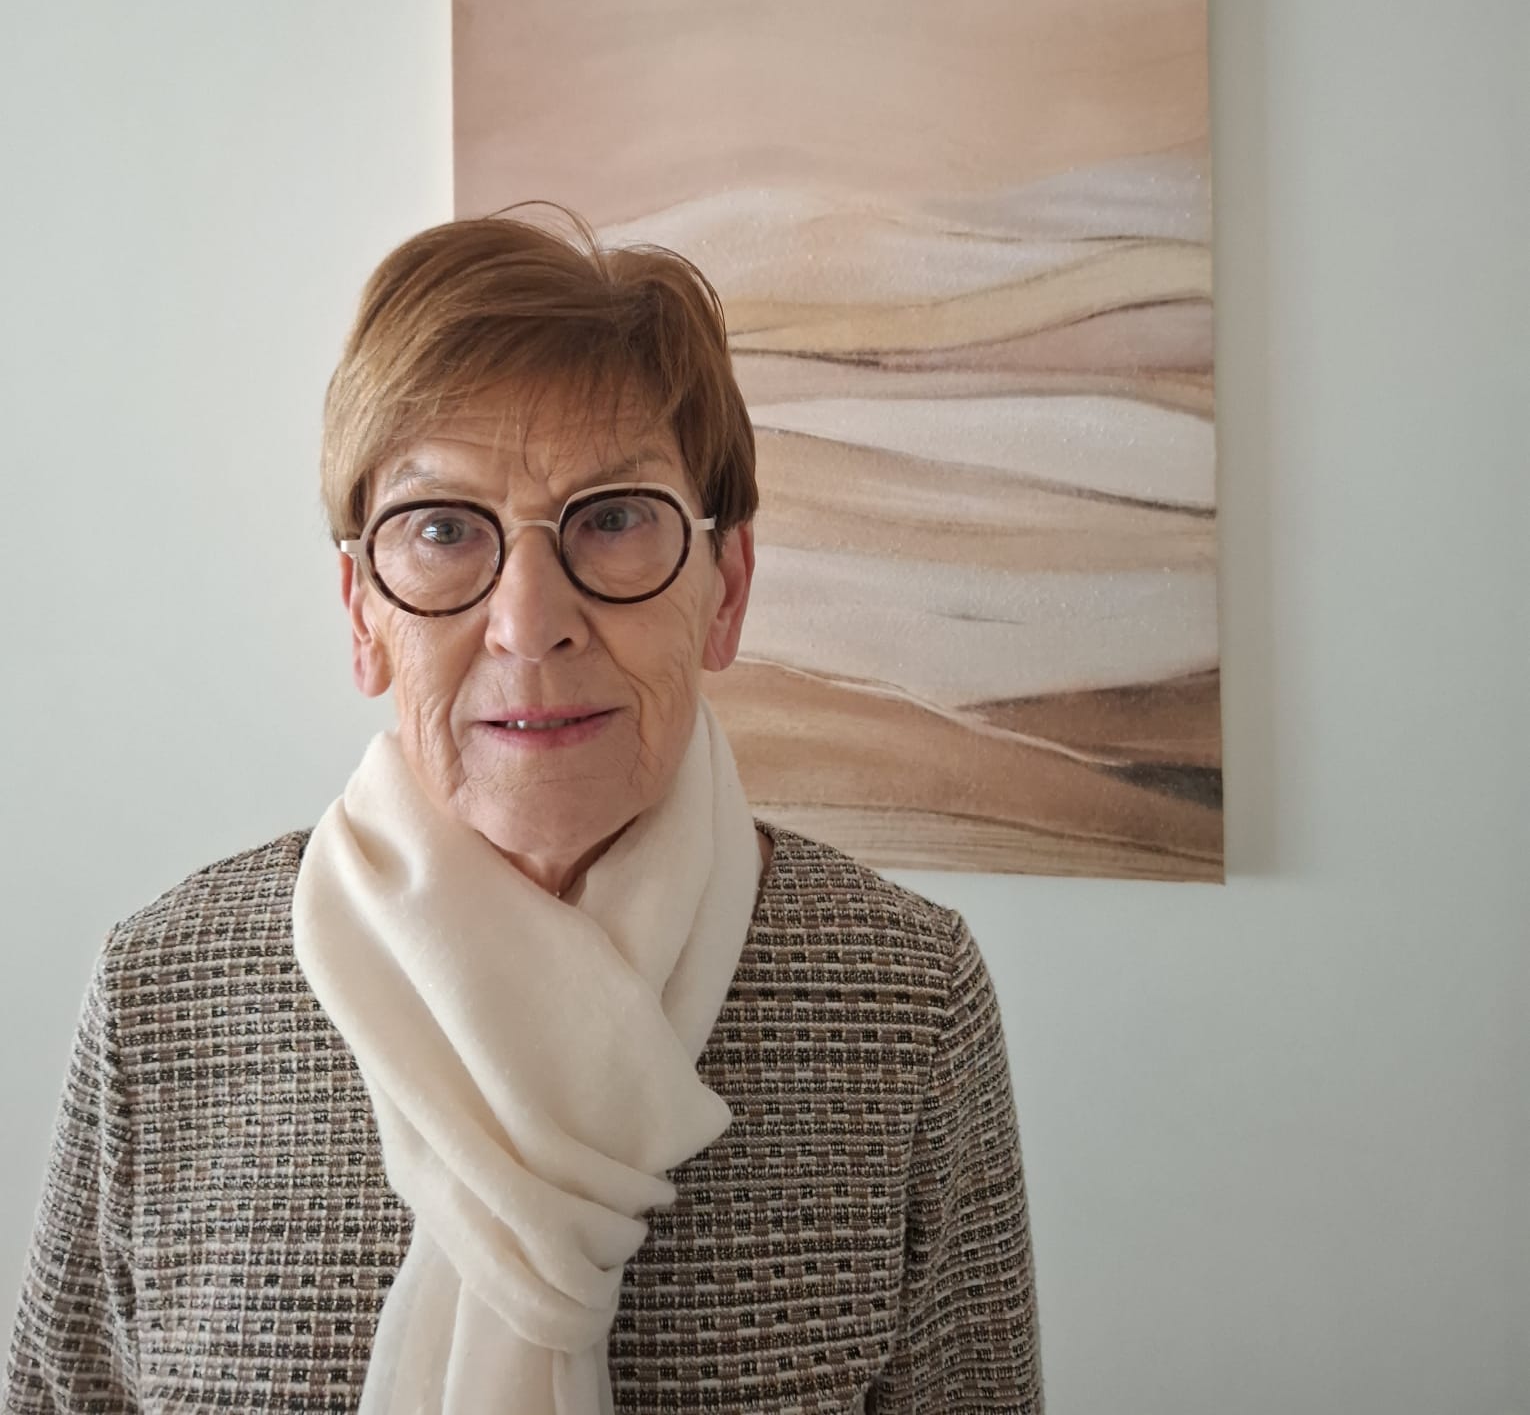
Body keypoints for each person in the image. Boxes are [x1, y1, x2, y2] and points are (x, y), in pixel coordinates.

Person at [5, 211, 1044, 1414]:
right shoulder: (163, 991)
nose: (528, 623)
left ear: (726, 591)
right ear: (362, 613)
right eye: (444, 530)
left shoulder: (905, 1001)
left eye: (613, 518)